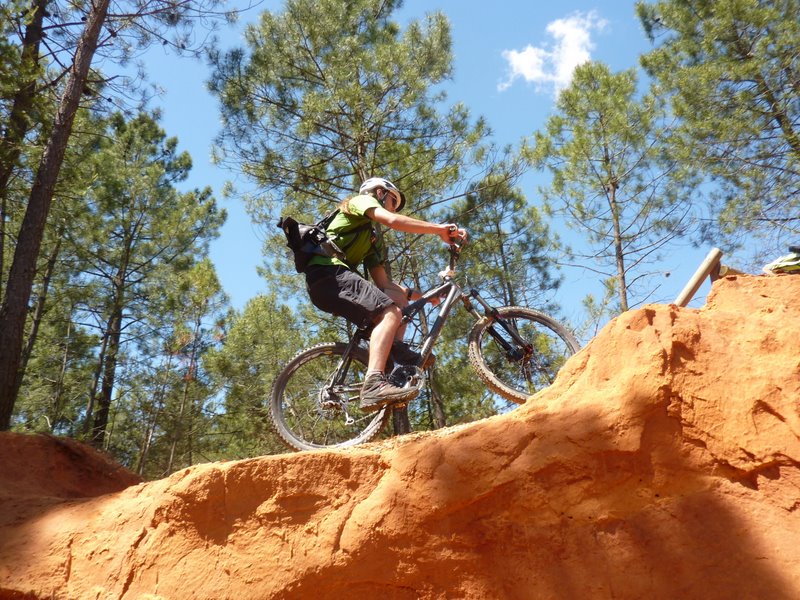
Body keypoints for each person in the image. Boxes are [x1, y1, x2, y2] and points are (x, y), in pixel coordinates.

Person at [303, 177, 466, 412]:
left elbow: (384, 283)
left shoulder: (370, 239)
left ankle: (393, 354)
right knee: (390, 313)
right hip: (328, 273)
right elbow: (391, 220)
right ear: (379, 193)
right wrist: (439, 229)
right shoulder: (359, 202)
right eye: (392, 200)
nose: (393, 207)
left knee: (395, 305)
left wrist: (423, 296)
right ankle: (373, 385)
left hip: (328, 284)